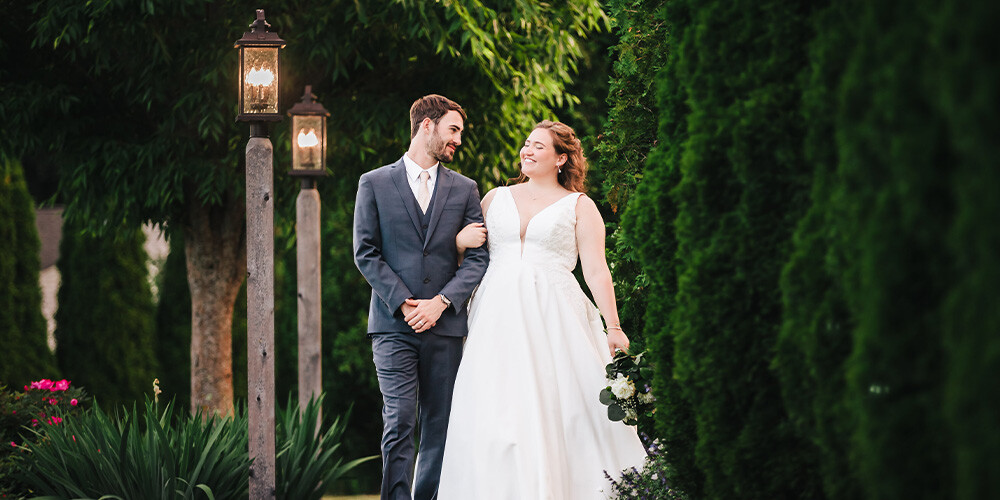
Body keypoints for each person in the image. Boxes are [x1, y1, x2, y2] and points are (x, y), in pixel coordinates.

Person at [436, 120, 647, 499]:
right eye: (527, 144)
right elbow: (468, 261)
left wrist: (613, 327)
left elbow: (596, 270)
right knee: (494, 404)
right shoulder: (493, 198)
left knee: (561, 405)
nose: (527, 151)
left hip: (555, 315)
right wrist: (458, 243)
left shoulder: (580, 206)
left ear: (561, 159)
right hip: (494, 315)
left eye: (538, 146)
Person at [353, 94, 489, 500]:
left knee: (439, 424)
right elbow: (365, 251)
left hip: (445, 328)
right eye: (453, 130)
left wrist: (441, 303)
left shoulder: (465, 189)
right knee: (398, 421)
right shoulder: (373, 182)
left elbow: (478, 259)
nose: (458, 141)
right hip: (393, 326)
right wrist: (404, 302)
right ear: (426, 126)